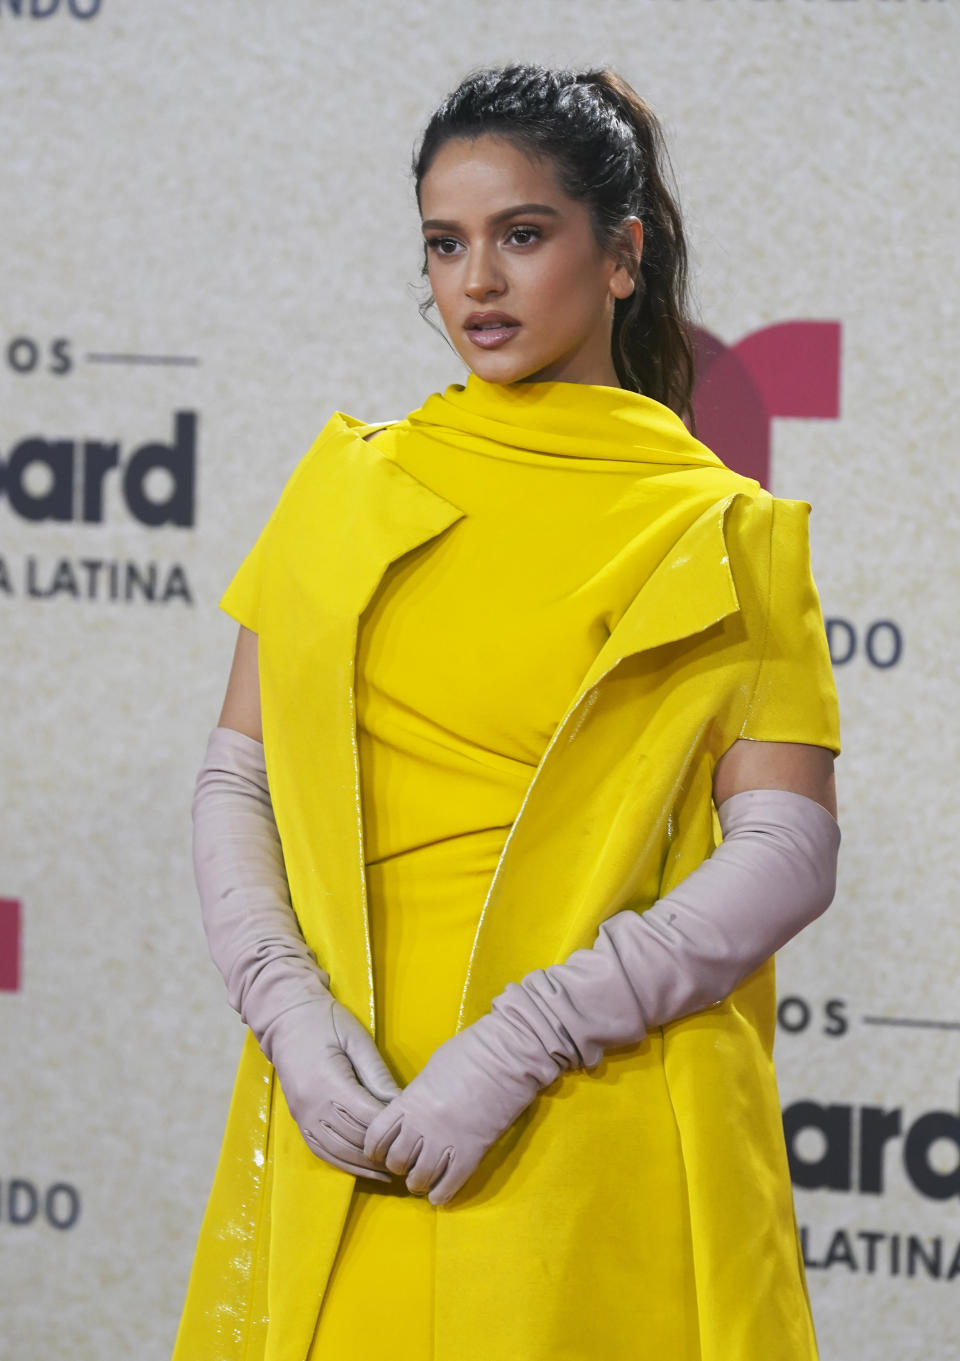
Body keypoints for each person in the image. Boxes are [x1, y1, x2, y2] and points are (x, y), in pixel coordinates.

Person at [172, 63, 841, 1361]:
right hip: (346, 1119)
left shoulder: (723, 529)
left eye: (520, 235)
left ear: (621, 255)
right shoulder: (344, 487)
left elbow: (785, 851)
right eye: (445, 244)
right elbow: (235, 780)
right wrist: (288, 1011)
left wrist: (524, 1041)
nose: (475, 282)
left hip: (595, 1121)